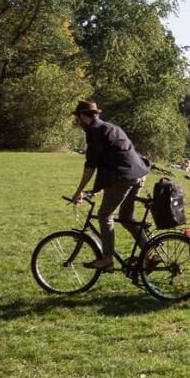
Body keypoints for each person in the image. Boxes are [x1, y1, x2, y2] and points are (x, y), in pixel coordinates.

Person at [69, 100, 152, 270]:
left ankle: (107, 259)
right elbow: (113, 159)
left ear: (84, 116)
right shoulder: (110, 127)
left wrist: (79, 191)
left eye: (77, 118)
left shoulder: (94, 131)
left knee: (104, 215)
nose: (77, 122)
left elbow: (91, 164)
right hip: (139, 174)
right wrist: (100, 187)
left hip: (124, 177)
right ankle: (150, 254)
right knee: (127, 218)